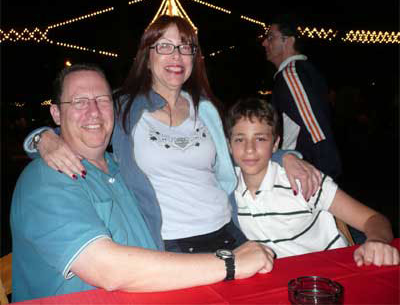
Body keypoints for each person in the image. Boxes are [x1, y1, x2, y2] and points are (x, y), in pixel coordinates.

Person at [23, 15, 321, 253]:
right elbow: (84, 120)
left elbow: (244, 150)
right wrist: (42, 138)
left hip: (228, 231)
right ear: (146, 56)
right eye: (164, 46)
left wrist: (285, 157)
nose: (176, 55)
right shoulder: (124, 108)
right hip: (171, 244)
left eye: (184, 46)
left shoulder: (206, 109)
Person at [11, 65, 275, 302]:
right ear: (56, 113)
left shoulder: (124, 166)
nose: (93, 111)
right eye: (79, 101)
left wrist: (285, 157)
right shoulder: (45, 180)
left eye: (102, 100)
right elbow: (108, 270)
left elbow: (227, 156)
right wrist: (230, 264)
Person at [225, 97, 399, 265]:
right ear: (229, 145)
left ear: (276, 143)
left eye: (260, 138)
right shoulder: (227, 187)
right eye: (240, 139)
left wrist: (377, 240)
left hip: (332, 271)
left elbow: (373, 219)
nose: (249, 149)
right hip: (280, 283)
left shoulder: (303, 179)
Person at [262, 14, 342, 180]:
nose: (264, 43)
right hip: (304, 171)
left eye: (270, 37)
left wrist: (324, 178)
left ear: (289, 41)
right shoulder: (302, 72)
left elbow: (316, 130)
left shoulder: (291, 75)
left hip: (303, 174)